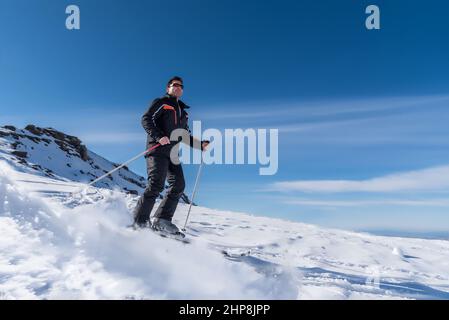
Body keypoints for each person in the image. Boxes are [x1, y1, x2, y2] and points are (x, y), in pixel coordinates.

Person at [133, 76, 209, 235]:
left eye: (181, 86)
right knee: (156, 184)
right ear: (168, 88)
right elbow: (146, 119)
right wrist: (158, 136)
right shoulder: (161, 103)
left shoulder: (183, 113)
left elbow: (184, 135)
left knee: (179, 184)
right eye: (175, 85)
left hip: (173, 154)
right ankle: (139, 222)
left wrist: (200, 145)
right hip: (157, 149)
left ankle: (162, 220)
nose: (178, 87)